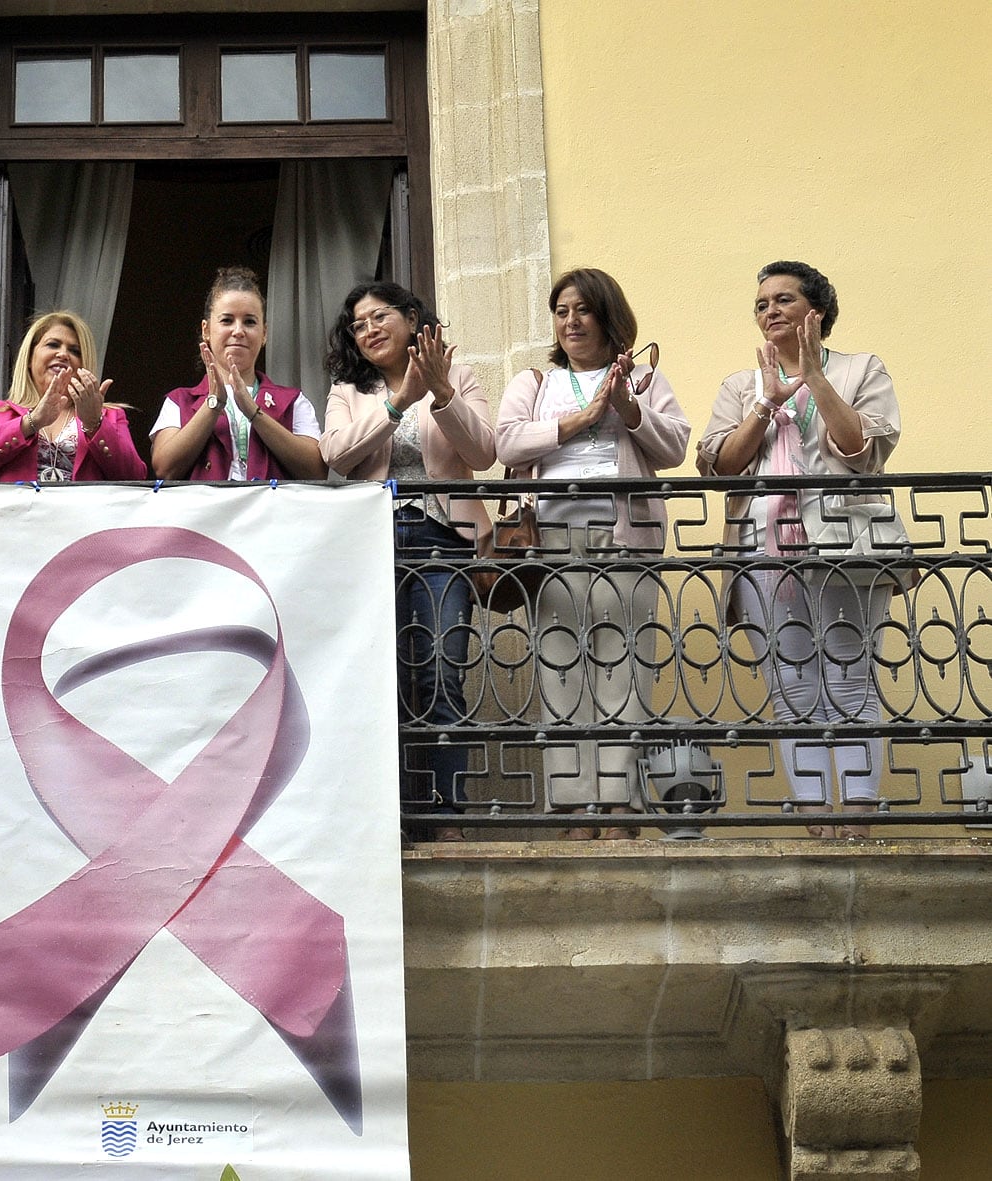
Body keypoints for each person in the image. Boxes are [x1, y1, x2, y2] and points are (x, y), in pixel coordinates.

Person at [696, 260, 900, 839]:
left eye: (782, 300)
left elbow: (864, 449)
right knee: (792, 688)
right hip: (765, 549)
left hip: (845, 543)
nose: (769, 312)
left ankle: (857, 819)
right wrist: (765, 403)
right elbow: (722, 467)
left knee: (850, 682)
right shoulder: (741, 384)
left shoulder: (862, 369)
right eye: (761, 304)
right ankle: (816, 820)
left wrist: (815, 378)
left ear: (816, 310)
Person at [496, 268, 691, 839]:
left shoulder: (645, 377)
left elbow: (675, 445)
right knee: (561, 665)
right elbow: (504, 441)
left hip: (624, 531)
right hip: (550, 536)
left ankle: (617, 802)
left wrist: (628, 407)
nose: (571, 321)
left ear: (607, 316)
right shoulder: (535, 381)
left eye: (582, 310)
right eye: (561, 311)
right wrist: (578, 421)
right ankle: (574, 804)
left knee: (623, 663)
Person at [320, 283, 496, 842]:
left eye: (379, 316)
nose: (368, 329)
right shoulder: (350, 389)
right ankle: (388, 819)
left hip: (444, 537)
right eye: (358, 324)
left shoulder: (456, 373)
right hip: (372, 539)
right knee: (382, 681)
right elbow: (337, 456)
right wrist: (397, 404)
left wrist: (441, 393)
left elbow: (484, 453)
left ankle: (445, 817)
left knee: (441, 670)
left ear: (412, 318)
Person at [150, 266, 326, 482]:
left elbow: (316, 470)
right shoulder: (179, 401)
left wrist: (254, 412)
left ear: (264, 334)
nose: (238, 331)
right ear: (206, 330)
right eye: (227, 320)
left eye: (250, 322)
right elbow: (164, 469)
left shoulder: (293, 400)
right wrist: (213, 403)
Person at [0, 310, 145, 483]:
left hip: (85, 522)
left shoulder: (110, 416)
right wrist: (32, 422)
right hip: (15, 520)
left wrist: (94, 423)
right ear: (29, 358)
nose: (63, 354)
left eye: (74, 351)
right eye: (53, 345)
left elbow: (135, 478)